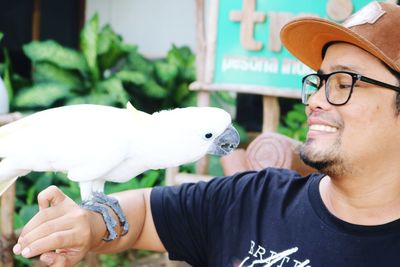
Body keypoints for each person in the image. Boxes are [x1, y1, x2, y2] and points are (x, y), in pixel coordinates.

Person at [12, 1, 400, 266]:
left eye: (344, 81)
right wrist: (83, 226)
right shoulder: (251, 198)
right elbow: (146, 214)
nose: (315, 98)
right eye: (318, 80)